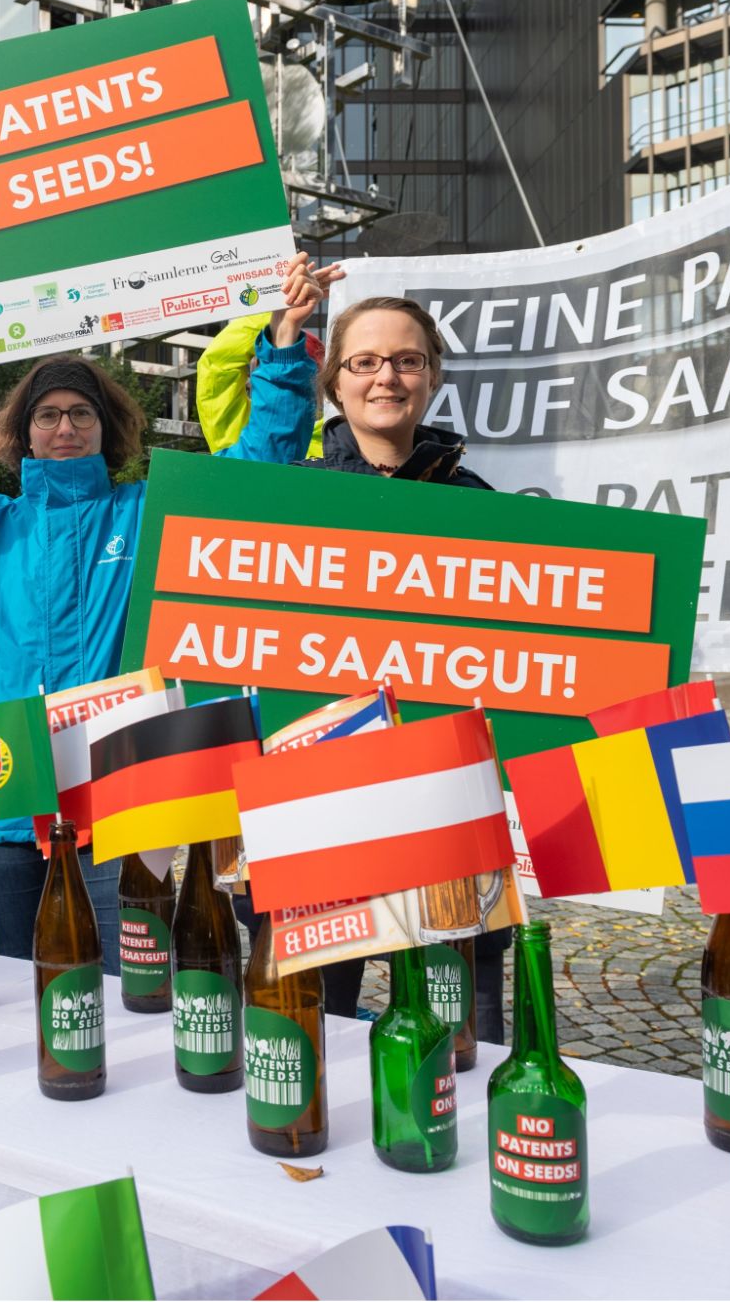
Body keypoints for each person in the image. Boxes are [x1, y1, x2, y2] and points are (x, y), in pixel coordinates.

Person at [0, 253, 340, 974]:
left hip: (118, 791)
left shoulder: (146, 513)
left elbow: (252, 475)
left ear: (106, 427)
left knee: (124, 979)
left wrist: (282, 349)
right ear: (22, 433)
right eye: (49, 415)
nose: (66, 427)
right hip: (0, 789)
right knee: (5, 979)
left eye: (82, 413)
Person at [293, 294, 505, 1034]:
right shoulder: (291, 497)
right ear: (335, 382)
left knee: (466, 1044)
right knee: (318, 1031)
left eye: (407, 360)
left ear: (432, 376)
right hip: (321, 815)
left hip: (447, 812)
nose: (387, 377)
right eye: (365, 362)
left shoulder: (480, 504)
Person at [195, 313, 327, 459]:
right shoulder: (341, 438)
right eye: (264, 367)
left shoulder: (237, 433)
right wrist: (282, 316)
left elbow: (217, 367)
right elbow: (217, 369)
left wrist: (278, 317)